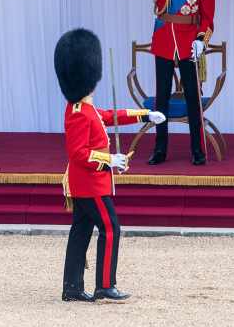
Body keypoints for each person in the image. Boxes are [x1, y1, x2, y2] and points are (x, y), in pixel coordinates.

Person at [54, 28, 165, 303]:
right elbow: (79, 153)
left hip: (87, 184)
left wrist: (145, 115)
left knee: (80, 232)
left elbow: (110, 115)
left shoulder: (84, 108)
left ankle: (72, 287)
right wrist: (109, 161)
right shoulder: (79, 113)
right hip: (90, 185)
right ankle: (105, 284)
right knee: (110, 228)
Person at [120, 0, 215, 166]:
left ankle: (198, 149)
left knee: (193, 100)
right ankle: (160, 149)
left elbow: (207, 18)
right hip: (163, 41)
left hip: (188, 43)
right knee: (160, 98)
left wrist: (201, 40)